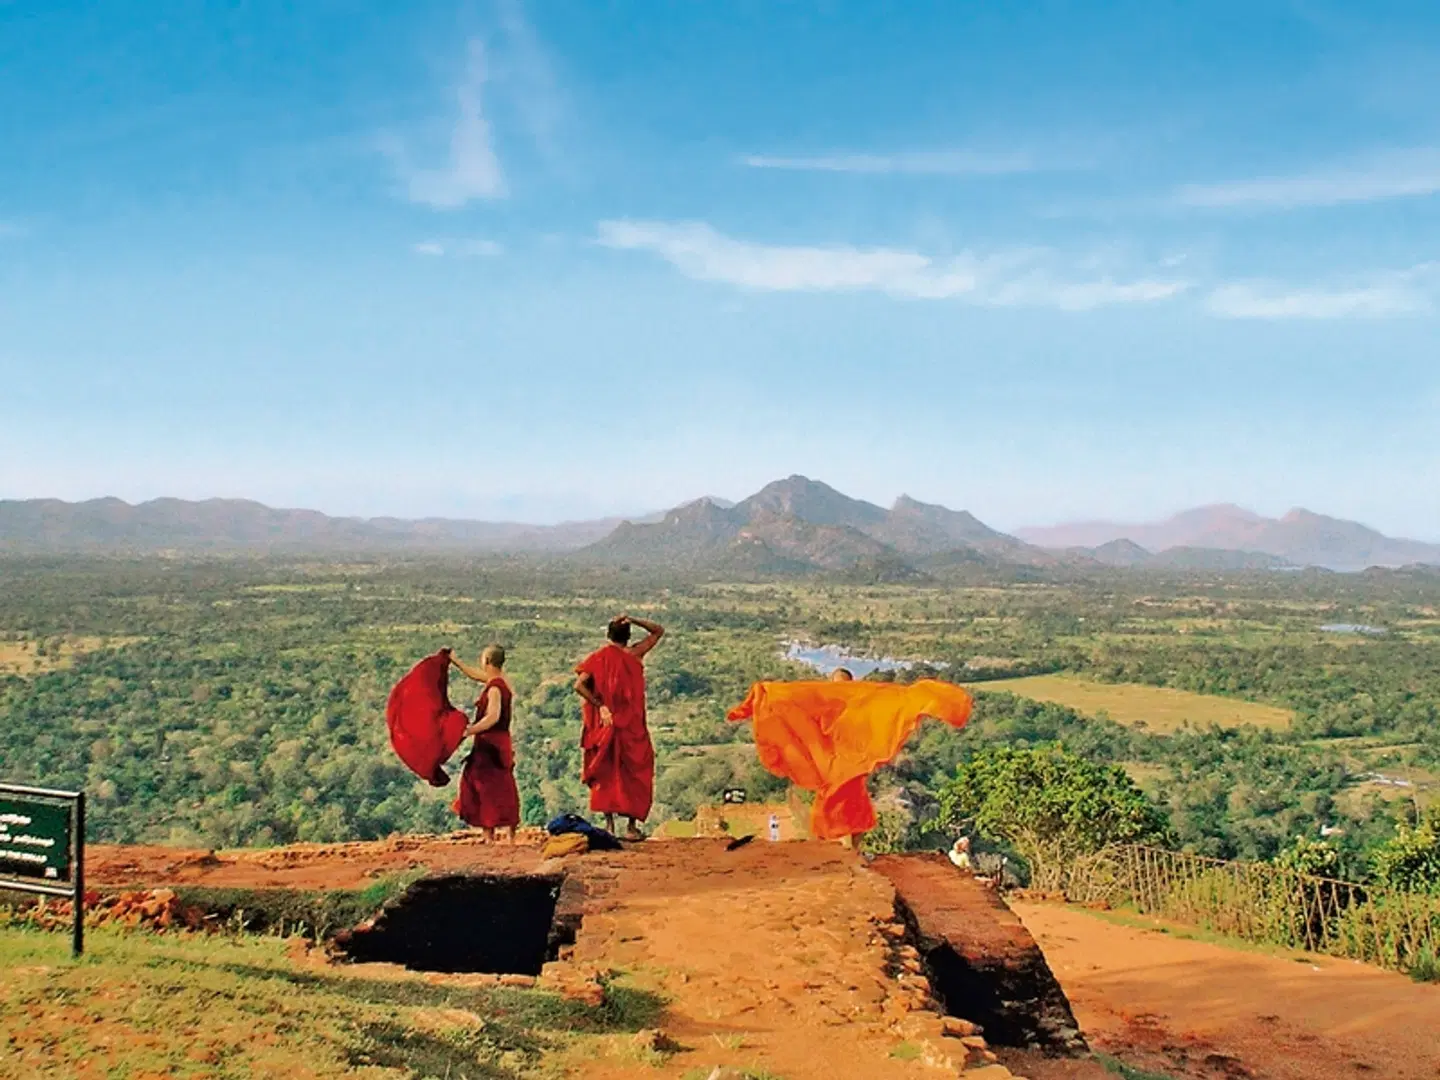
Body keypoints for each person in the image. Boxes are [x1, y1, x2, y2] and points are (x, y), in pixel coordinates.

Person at [573, 613, 664, 841]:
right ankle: (631, 828)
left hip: (608, 724)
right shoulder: (635, 654)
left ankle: (610, 826)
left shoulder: (598, 658)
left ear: (608, 635)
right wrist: (633, 619)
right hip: (631, 726)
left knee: (607, 772)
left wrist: (600, 705)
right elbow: (658, 631)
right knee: (635, 772)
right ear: (628, 636)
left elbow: (579, 685)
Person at [448, 645, 520, 843]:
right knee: (503, 784)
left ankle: (489, 836)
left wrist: (469, 730)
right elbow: (475, 675)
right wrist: (456, 661)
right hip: (501, 742)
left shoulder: (495, 687)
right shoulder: (501, 680)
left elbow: (493, 717)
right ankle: (509, 835)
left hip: (490, 744)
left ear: (486, 660)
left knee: (484, 786)